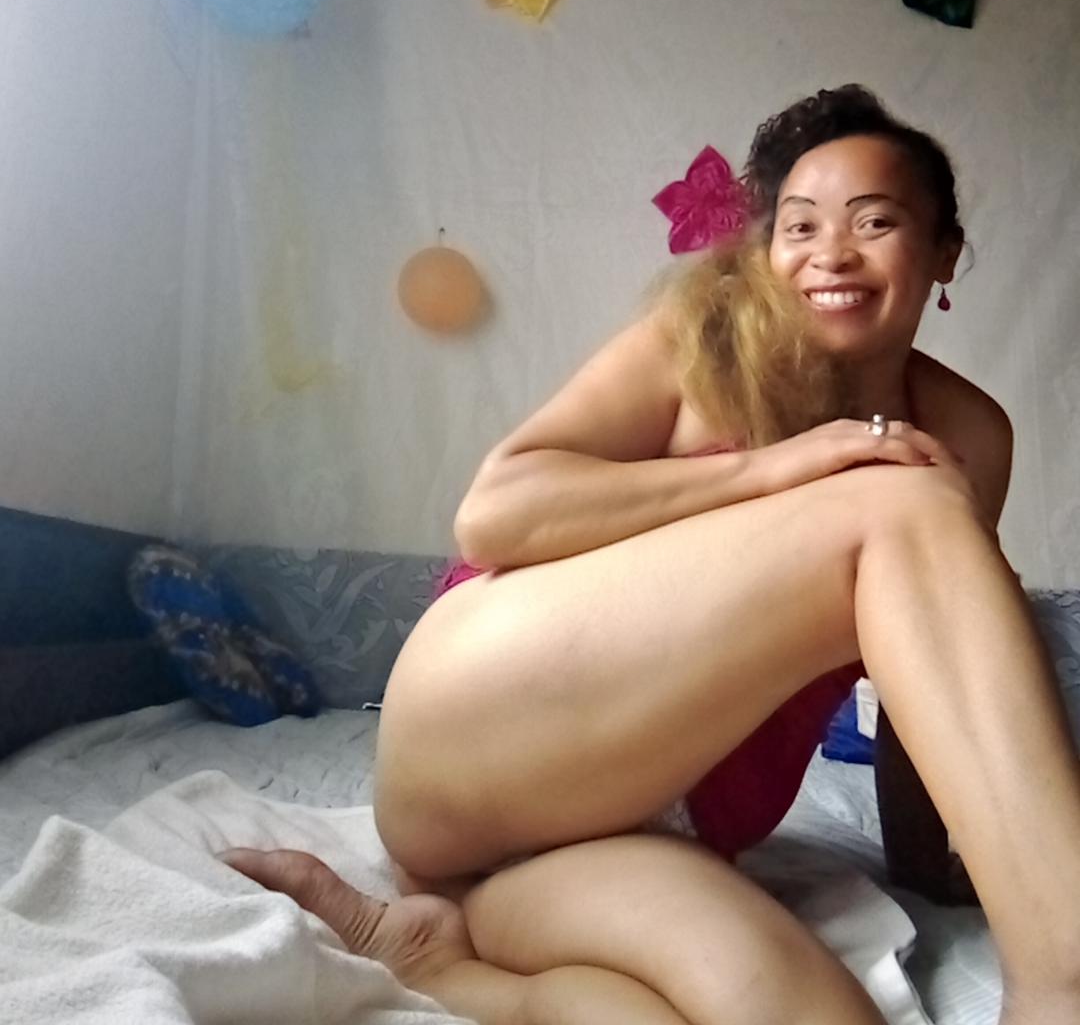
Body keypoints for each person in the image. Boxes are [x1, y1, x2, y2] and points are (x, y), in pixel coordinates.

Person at [226, 86, 1080, 1025]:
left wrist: (925, 867)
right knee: (901, 492)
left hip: (613, 837)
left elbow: (943, 670)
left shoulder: (969, 433)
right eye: (800, 226)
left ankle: (430, 955)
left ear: (944, 251)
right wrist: (773, 468)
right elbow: (495, 510)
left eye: (873, 222)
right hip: (487, 726)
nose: (831, 252)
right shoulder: (709, 346)